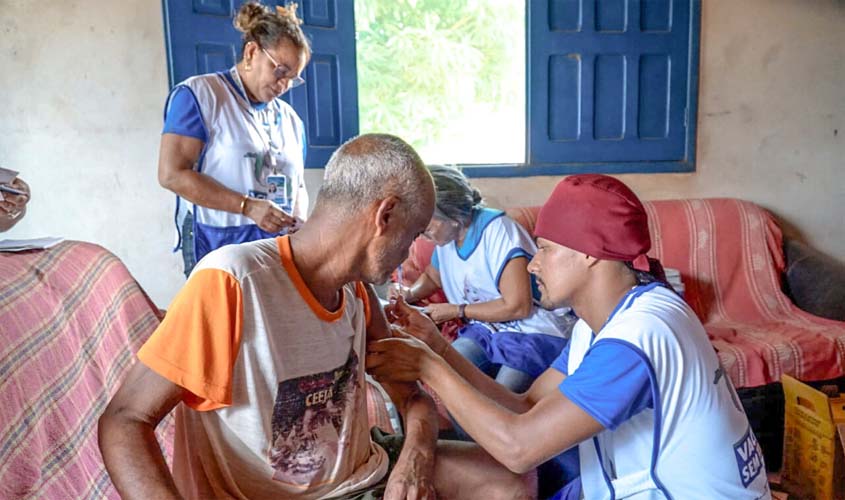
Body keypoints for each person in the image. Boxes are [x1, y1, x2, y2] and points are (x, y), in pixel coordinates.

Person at [99, 134, 535, 500]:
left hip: (365, 473)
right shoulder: (233, 279)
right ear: (384, 216)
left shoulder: (357, 291)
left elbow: (413, 397)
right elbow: (125, 421)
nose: (411, 253)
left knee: (510, 485)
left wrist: (415, 458)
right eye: (414, 233)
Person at [369, 174, 771, 499]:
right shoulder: (598, 325)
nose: (533, 265)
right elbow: (524, 405)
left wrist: (428, 366)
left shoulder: (641, 334)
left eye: (544, 249)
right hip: (622, 485)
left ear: (590, 253)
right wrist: (438, 347)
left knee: (498, 476)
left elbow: (519, 449)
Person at [158, 2, 311, 276]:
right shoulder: (201, 95)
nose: (284, 85)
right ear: (252, 52)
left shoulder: (291, 120)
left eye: (292, 79)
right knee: (226, 318)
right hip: (217, 241)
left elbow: (297, 185)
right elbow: (171, 175)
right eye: (280, 71)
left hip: (276, 248)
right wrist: (247, 206)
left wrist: (299, 221)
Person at [391, 165, 573, 394]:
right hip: (486, 329)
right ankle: (466, 432)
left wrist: (457, 310)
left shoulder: (499, 231)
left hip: (531, 331)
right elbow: (432, 276)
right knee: (450, 380)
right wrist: (408, 293)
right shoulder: (446, 239)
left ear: (454, 217)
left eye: (427, 224)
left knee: (505, 393)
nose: (422, 232)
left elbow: (517, 306)